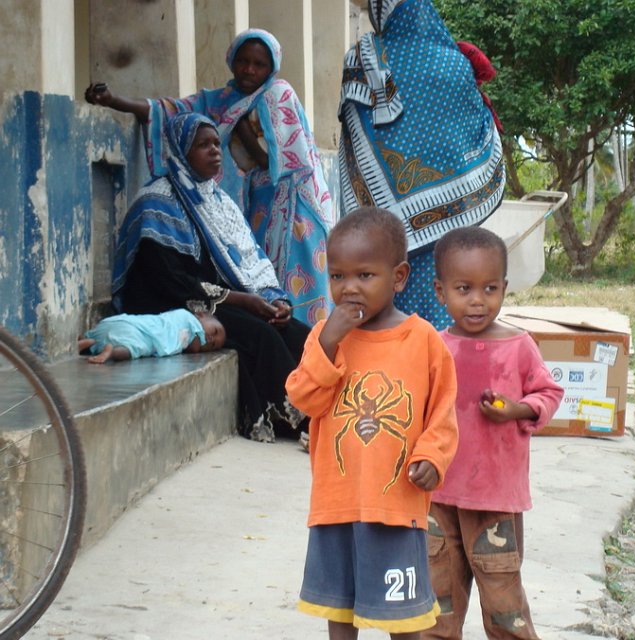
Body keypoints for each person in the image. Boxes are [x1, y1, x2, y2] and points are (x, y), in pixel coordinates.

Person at [285, 206, 459, 638]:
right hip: (336, 502)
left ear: (398, 277)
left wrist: (432, 457)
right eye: (338, 276)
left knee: (404, 615)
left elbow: (442, 413)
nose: (349, 288)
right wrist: (328, 342)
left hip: (396, 506)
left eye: (365, 275)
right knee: (339, 609)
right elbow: (304, 399)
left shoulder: (423, 340)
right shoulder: (324, 337)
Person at [85, 28, 334, 325]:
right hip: (259, 203)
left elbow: (276, 163)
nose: (249, 70)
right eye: (243, 61)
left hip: (294, 206)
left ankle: (309, 341)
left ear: (271, 69)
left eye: (259, 64)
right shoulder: (222, 100)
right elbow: (167, 110)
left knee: (299, 277)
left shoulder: (278, 94)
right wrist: (113, 100)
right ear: (232, 61)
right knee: (258, 271)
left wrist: (241, 128)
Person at [112, 111, 311, 443]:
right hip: (170, 302)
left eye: (217, 143)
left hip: (213, 297)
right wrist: (242, 301)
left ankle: (323, 406)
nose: (215, 151)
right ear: (181, 150)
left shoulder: (217, 200)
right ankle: (294, 419)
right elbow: (168, 280)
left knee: (293, 329)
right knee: (261, 335)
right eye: (203, 145)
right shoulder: (156, 201)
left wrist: (274, 299)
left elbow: (248, 257)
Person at [425, 227, 563, 639]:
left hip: (495, 500)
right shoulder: (435, 347)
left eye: (489, 289)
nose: (477, 300)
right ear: (440, 291)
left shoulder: (519, 346)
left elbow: (548, 392)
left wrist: (517, 409)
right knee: (436, 603)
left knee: (504, 605)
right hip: (438, 496)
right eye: (463, 288)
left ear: (504, 288)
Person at [338, 0, 504, 330]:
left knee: (391, 313)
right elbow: (479, 127)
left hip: (385, 223)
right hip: (453, 215)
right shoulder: (456, 63)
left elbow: (354, 136)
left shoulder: (363, 58)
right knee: (450, 298)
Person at [78, 309, 225, 364]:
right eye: (215, 331)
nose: (212, 339)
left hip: (125, 321)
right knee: (131, 350)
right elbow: (194, 348)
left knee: (103, 337)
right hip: (145, 335)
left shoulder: (177, 317)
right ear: (201, 314)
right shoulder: (191, 322)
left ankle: (88, 341)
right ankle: (110, 352)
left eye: (213, 345)